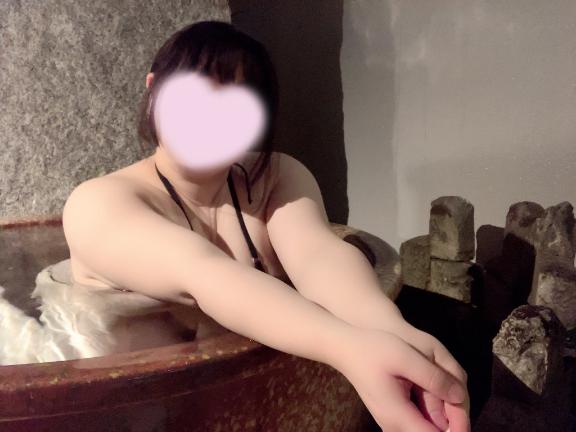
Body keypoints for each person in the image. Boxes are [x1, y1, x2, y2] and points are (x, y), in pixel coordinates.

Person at [13, 20, 472, 431]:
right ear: (154, 90)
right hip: (128, 413)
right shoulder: (99, 203)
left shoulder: (273, 177)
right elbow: (204, 273)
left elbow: (317, 256)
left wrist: (392, 332)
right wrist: (351, 350)